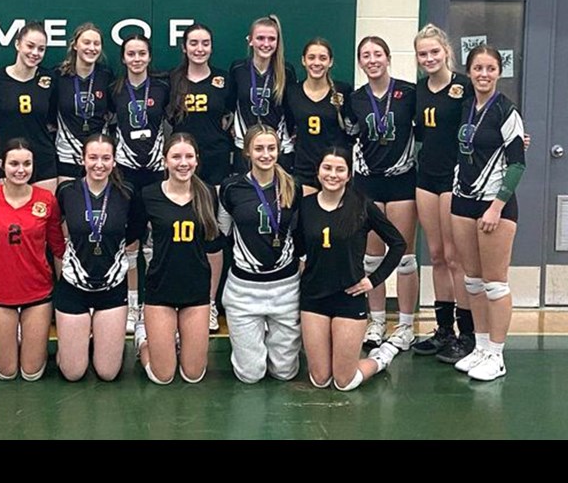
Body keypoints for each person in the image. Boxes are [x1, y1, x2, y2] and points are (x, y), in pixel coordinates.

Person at [299, 147, 406, 391]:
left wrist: (374, 280)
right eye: (327, 168)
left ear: (349, 175)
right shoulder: (305, 206)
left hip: (349, 298)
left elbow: (398, 243)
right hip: (313, 298)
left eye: (340, 169)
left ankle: (381, 357)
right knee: (320, 379)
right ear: (318, 171)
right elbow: (296, 245)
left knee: (344, 382)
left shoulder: (362, 206)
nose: (333, 175)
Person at [450, 46, 526, 381]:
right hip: (463, 200)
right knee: (473, 281)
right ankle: (480, 347)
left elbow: (518, 163)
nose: (483, 74)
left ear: (499, 72)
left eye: (490, 68)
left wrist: (496, 206)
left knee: (495, 284)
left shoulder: (506, 111)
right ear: (469, 72)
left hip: (494, 204)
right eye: (478, 68)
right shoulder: (466, 105)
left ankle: (497, 354)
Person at [346, 36, 419, 351]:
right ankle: (376, 321)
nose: (372, 59)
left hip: (401, 181)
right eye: (366, 55)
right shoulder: (355, 98)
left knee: (404, 258)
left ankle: (405, 325)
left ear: (388, 58)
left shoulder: (410, 94)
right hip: (367, 184)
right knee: (372, 259)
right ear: (360, 62)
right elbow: (347, 136)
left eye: (378, 54)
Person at [0, 139, 66, 381]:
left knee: (30, 373)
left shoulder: (46, 200)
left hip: (38, 294)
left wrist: (64, 288)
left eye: (27, 164)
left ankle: (32, 341)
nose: (20, 169)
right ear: (2, 165)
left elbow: (57, 246)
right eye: (14, 163)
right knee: (7, 372)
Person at [55, 134, 145, 381]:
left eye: (106, 158)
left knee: (107, 373)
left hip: (112, 287)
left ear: (114, 161)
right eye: (93, 157)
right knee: (73, 373)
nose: (99, 164)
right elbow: (54, 228)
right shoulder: (67, 191)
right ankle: (72, 349)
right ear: (82, 160)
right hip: (73, 286)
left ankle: (98, 343)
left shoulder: (126, 192)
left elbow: (136, 230)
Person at [218, 125, 303, 383]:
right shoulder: (231, 187)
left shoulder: (293, 186)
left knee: (285, 373)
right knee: (250, 375)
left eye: (271, 148)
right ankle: (253, 338)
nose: (265, 154)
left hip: (285, 288)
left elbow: (299, 233)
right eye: (259, 149)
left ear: (278, 150)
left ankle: (271, 335)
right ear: (247, 152)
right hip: (244, 290)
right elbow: (224, 230)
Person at [411, 24, 476, 361]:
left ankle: (467, 334)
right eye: (423, 53)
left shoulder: (464, 86)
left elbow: (488, 116)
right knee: (435, 255)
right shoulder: (419, 91)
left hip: (454, 179)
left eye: (434, 51)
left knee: (455, 258)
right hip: (426, 178)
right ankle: (443, 330)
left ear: (447, 52)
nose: (429, 58)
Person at [134, 133, 218, 385]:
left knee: (193, 375)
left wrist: (211, 298)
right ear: (165, 161)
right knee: (163, 376)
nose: (183, 163)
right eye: (176, 157)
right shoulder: (148, 195)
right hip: (161, 291)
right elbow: (133, 242)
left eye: (189, 157)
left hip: (196, 292)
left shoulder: (207, 194)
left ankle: (180, 340)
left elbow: (214, 251)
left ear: (197, 160)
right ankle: (144, 342)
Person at [168, 23, 232, 331]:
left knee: (213, 234)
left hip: (216, 165)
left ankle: (209, 302)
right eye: (193, 43)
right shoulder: (173, 80)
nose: (199, 48)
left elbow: (231, 118)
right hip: (181, 167)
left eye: (205, 43)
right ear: (184, 47)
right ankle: (181, 298)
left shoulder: (223, 80)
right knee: (181, 233)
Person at [109, 33, 171, 334]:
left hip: (157, 172)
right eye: (131, 54)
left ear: (149, 57)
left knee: (155, 241)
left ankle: (154, 304)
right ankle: (132, 303)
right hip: (126, 173)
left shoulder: (162, 87)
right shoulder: (114, 90)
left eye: (142, 54)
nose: (136, 59)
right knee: (130, 240)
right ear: (123, 58)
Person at [0, 22, 58, 192]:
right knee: (9, 217)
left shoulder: (50, 78)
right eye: (30, 46)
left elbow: (53, 118)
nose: (35, 53)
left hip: (43, 159)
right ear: (17, 44)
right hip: (9, 162)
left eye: (41, 49)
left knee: (42, 216)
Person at [285, 37, 353, 195]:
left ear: (330, 62)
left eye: (323, 58)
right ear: (303, 60)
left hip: (334, 171)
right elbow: (288, 128)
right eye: (311, 57)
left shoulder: (343, 90)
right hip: (304, 169)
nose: (317, 63)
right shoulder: (292, 92)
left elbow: (352, 130)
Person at [230, 14, 297, 173]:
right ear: (250, 40)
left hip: (278, 149)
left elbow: (291, 110)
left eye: (271, 39)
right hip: (244, 148)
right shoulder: (238, 69)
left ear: (277, 42)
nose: (266, 44)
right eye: (260, 38)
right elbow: (230, 104)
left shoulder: (286, 71)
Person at [52, 23, 113, 183]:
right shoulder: (59, 76)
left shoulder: (105, 75)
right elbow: (49, 111)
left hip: (98, 157)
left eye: (96, 43)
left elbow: (113, 110)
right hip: (67, 153)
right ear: (75, 45)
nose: (91, 48)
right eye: (86, 42)